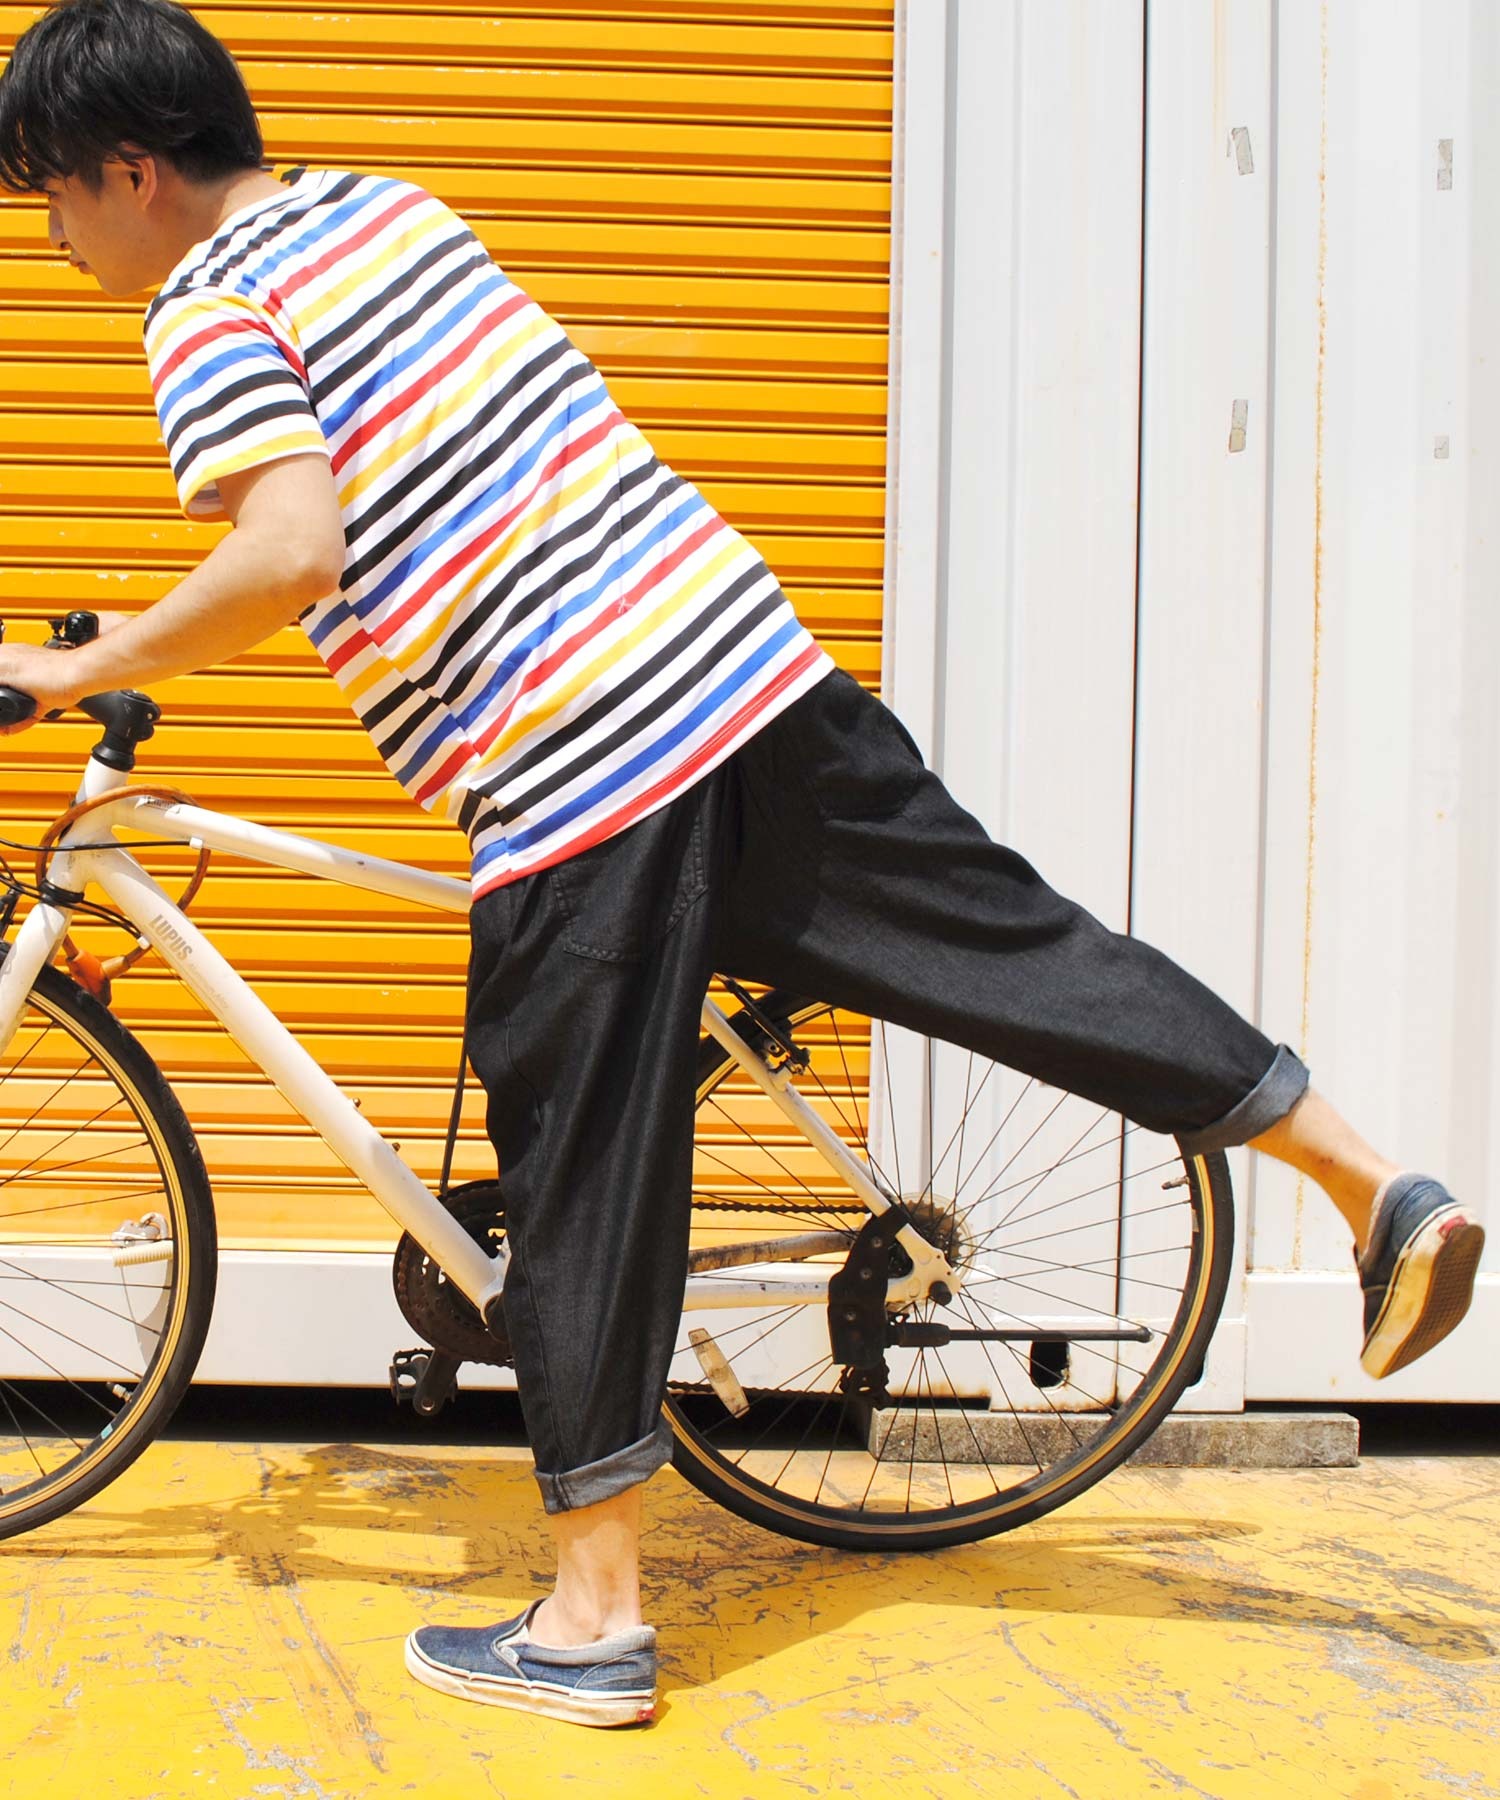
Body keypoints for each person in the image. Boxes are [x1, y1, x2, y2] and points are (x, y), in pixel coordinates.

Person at [0, 0, 1484, 1731]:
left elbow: (291, 547)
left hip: (583, 761)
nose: (54, 239)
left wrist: (88, 667)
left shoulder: (203, 302)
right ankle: (1375, 1181)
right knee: (1018, 948)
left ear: (127, 170)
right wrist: (142, 625)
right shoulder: (391, 211)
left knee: (581, 1161)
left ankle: (592, 1622)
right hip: (754, 678)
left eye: (49, 200)